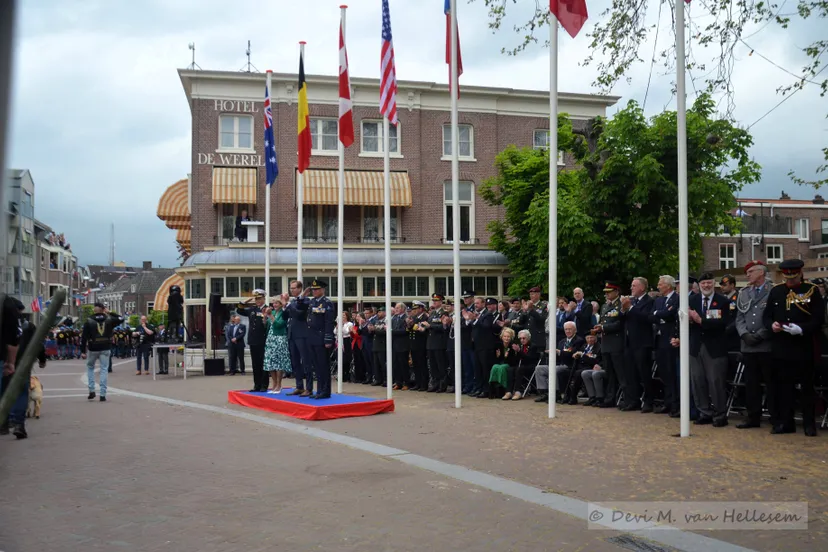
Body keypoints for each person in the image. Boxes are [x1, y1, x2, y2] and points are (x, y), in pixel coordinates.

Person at [764, 258, 824, 436]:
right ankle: (786, 422)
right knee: (784, 387)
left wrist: (802, 329)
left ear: (800, 274)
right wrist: (772, 325)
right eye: (787, 276)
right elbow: (767, 316)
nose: (790, 280)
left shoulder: (811, 291)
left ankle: (809, 424)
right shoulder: (776, 291)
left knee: (806, 387)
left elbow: (818, 319)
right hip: (781, 346)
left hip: (803, 345)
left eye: (793, 276)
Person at [734, 260, 776, 430]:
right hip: (748, 345)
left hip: (766, 344)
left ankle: (775, 416)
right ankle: (753, 417)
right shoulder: (744, 292)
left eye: (751, 271)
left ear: (761, 272)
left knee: (772, 383)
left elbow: (774, 317)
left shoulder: (772, 291)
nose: (748, 275)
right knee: (751, 384)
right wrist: (744, 334)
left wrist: (760, 335)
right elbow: (739, 317)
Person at [688, 272, 732, 427]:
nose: (706, 286)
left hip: (715, 347)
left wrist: (701, 321)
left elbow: (723, 323)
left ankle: (720, 414)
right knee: (697, 381)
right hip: (695, 347)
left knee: (716, 382)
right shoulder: (691, 300)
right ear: (698, 286)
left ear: (714, 284)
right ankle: (704, 412)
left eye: (709, 283)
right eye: (703, 283)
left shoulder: (723, 301)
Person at [1, 299, 46, 439]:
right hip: (22, 364)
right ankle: (19, 423)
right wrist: (42, 359)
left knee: (3, 392)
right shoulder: (28, 326)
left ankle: (4, 423)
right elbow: (37, 343)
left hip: (4, 362)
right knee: (21, 393)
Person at [619, 277, 654, 412]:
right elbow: (622, 319)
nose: (631, 288)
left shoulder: (649, 301)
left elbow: (646, 318)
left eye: (634, 286)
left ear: (642, 288)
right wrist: (623, 309)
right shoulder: (631, 301)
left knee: (644, 373)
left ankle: (648, 401)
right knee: (630, 373)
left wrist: (631, 308)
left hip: (642, 342)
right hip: (629, 342)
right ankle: (633, 400)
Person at [649, 275, 680, 416]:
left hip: (670, 339)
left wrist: (660, 314)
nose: (658, 286)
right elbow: (651, 316)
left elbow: (671, 314)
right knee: (664, 373)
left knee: (672, 371)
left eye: (660, 284)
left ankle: (675, 404)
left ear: (668, 285)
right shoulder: (659, 300)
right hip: (659, 339)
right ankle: (667, 402)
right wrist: (660, 313)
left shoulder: (677, 298)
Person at [593, 281, 625, 408]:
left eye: (609, 292)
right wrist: (599, 327)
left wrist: (603, 327)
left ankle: (624, 397)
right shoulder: (605, 306)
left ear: (616, 292)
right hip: (606, 343)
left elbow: (619, 324)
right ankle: (610, 398)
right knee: (609, 373)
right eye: (605, 293)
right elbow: (603, 321)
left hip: (616, 342)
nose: (606, 295)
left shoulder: (620, 305)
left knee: (620, 373)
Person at [80, 302, 120, 402]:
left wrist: (83, 351)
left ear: (94, 309)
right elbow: (120, 318)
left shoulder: (88, 321)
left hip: (93, 347)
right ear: (103, 309)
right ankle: (102, 394)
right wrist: (110, 312)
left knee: (90, 368)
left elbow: (84, 337)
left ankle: (92, 390)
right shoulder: (109, 320)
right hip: (106, 347)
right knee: (104, 369)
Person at [306, 279, 335, 400]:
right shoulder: (312, 302)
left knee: (323, 366)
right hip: (312, 337)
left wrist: (328, 339)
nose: (314, 291)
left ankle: (325, 391)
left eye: (316, 289)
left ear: (323, 290)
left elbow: (329, 322)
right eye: (313, 289)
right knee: (316, 366)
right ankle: (319, 390)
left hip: (322, 337)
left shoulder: (327, 303)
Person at [283, 280, 313, 396]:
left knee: (306, 362)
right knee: (295, 362)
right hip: (292, 334)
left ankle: (309, 388)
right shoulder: (292, 302)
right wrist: (285, 305)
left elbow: (300, 315)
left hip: (302, 334)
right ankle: (299, 386)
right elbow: (286, 316)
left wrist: (289, 305)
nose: (292, 290)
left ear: (300, 289)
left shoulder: (305, 300)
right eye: (291, 288)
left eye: (294, 288)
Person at [237, 289, 268, 392]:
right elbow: (239, 310)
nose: (257, 301)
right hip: (253, 340)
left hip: (263, 340)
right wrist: (244, 302)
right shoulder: (252, 309)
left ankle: (264, 385)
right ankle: (257, 385)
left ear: (264, 298)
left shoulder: (267, 309)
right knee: (255, 364)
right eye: (256, 299)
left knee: (263, 363)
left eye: (259, 298)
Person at [263, 299, 291, 393]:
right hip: (270, 339)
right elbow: (265, 325)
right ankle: (274, 384)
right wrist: (265, 316)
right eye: (273, 303)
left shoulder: (283, 313)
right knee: (270, 362)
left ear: (281, 304)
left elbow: (279, 325)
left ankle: (279, 385)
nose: (274, 304)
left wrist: (270, 315)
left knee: (279, 362)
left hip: (279, 338)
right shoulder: (272, 312)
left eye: (277, 303)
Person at [425, 294, 449, 393]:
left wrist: (430, 326)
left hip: (439, 342)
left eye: (436, 301)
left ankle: (442, 384)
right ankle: (435, 383)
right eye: (433, 300)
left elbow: (443, 327)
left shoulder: (444, 313)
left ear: (441, 302)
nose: (434, 302)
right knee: (433, 365)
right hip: (431, 342)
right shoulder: (432, 313)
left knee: (441, 365)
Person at [504, 329, 538, 400]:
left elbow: (528, 359)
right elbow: (515, 360)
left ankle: (518, 391)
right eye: (520, 338)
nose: (522, 340)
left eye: (524, 338)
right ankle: (509, 391)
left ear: (528, 338)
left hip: (530, 366)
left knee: (519, 368)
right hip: (521, 366)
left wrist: (519, 351)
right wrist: (508, 356)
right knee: (510, 369)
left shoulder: (533, 346)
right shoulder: (520, 346)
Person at [489, 327, 518, 399]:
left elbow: (514, 361)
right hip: (500, 363)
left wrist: (506, 357)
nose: (506, 338)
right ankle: (493, 390)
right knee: (494, 367)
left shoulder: (512, 346)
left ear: (511, 337)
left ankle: (503, 390)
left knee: (502, 368)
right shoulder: (498, 345)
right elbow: (495, 359)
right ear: (502, 337)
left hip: (509, 364)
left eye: (508, 337)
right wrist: (498, 356)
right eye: (505, 336)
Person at [390, 303, 410, 390]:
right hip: (394, 344)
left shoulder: (406, 318)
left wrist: (392, 331)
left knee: (403, 364)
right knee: (396, 364)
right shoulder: (394, 318)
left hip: (403, 345)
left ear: (403, 308)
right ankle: (398, 382)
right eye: (395, 308)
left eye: (398, 308)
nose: (396, 309)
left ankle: (406, 382)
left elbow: (405, 331)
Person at [339, 311, 354, 383]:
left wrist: (342, 326)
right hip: (340, 341)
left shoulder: (350, 324)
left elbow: (346, 331)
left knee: (347, 359)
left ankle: (348, 375)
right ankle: (342, 376)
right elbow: (335, 331)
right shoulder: (340, 324)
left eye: (344, 316)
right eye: (342, 316)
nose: (343, 317)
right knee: (341, 359)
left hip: (347, 340)